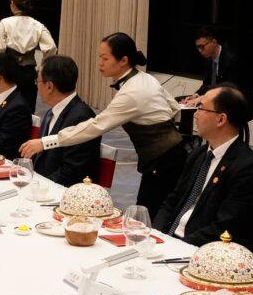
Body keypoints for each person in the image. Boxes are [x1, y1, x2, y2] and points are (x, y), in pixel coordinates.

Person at [21, 32, 186, 217]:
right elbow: (174, 109)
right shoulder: (145, 78)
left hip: (162, 161)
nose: (100, 62)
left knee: (147, 216)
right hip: (170, 155)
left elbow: (95, 126)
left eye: (105, 58)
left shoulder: (132, 91)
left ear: (123, 60)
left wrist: (45, 142)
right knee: (152, 212)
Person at [153, 85, 253, 247]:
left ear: (221, 119)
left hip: (202, 251)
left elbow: (226, 228)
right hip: (171, 241)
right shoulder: (199, 155)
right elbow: (173, 200)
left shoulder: (247, 168)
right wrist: (155, 234)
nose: (195, 114)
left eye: (201, 108)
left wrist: (175, 247)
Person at [27, 55, 99, 187]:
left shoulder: (81, 118)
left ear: (49, 86)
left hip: (60, 194)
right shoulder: (51, 112)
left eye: (38, 82)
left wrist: (36, 186)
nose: (37, 87)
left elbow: (71, 173)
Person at [0, 0, 57, 109]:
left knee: (6, 106)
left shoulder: (5, 23)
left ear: (13, 4)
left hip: (9, 71)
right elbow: (51, 48)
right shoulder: (37, 25)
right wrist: (42, 67)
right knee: (27, 107)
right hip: (28, 72)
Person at [186, 26, 253, 112]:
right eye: (197, 47)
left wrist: (203, 97)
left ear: (214, 42)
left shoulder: (232, 58)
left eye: (202, 46)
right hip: (222, 102)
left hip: (238, 103)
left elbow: (230, 87)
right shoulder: (209, 59)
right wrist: (196, 95)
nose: (200, 50)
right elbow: (207, 83)